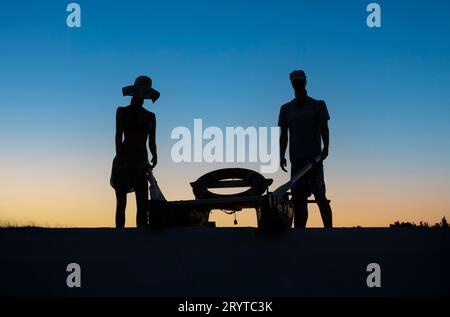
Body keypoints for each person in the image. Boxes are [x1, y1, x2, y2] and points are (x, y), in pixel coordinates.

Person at [278, 70, 333, 228]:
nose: (298, 85)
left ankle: (329, 232)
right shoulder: (286, 108)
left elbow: (324, 128)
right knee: (298, 200)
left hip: (314, 161)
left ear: (305, 82)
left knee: (320, 197)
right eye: (295, 82)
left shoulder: (318, 105)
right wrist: (281, 155)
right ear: (292, 84)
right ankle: (300, 233)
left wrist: (326, 147)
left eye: (300, 82)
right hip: (297, 162)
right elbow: (284, 135)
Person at [110, 76, 159, 228]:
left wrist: (155, 155)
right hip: (124, 159)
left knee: (142, 203)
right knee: (121, 202)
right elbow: (118, 135)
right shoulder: (122, 111)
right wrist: (119, 156)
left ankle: (141, 236)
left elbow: (152, 141)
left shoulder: (150, 116)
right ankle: (120, 234)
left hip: (141, 162)